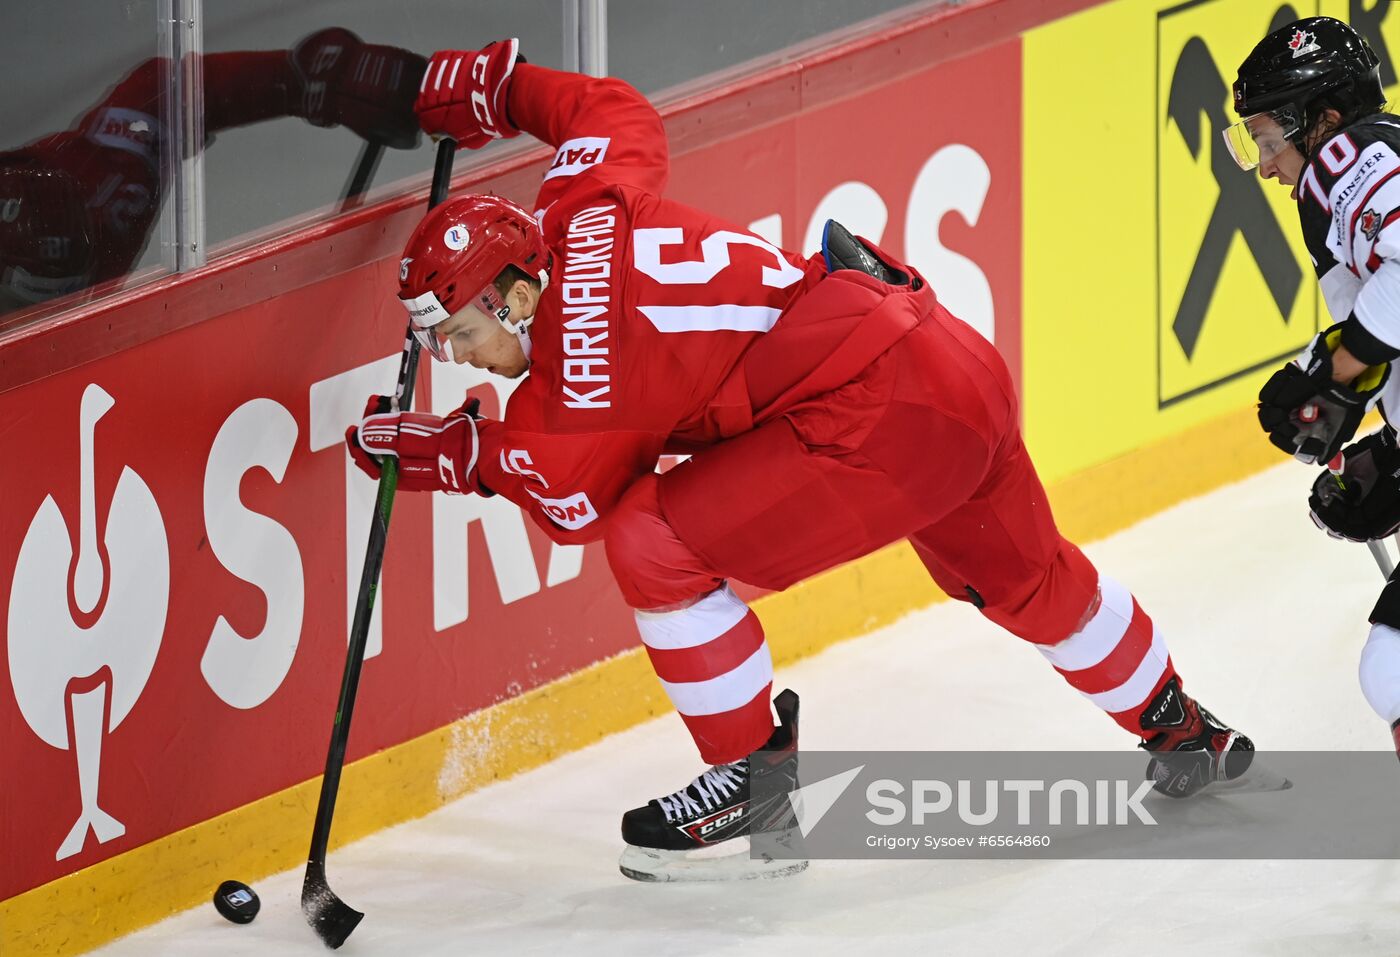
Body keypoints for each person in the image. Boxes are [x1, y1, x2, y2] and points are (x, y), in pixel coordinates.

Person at [347, 40, 1256, 881]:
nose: (456, 357)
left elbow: (571, 504)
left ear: (513, 299)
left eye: (460, 333)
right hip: (944, 359)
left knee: (650, 542)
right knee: (1032, 580)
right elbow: (614, 112)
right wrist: (494, 88)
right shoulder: (578, 208)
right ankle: (1182, 729)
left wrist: (451, 452)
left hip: (873, 422)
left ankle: (752, 777)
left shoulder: (580, 387)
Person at [1227, 16, 1400, 757]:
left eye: (1269, 141)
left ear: (1324, 119)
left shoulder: (1347, 156)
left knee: (1392, 672)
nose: (1266, 166)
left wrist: (1335, 373)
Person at [0, 28, 423, 319]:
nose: (58, 307)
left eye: (58, 287)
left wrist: (315, 78)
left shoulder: (108, 194)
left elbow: (168, 91)